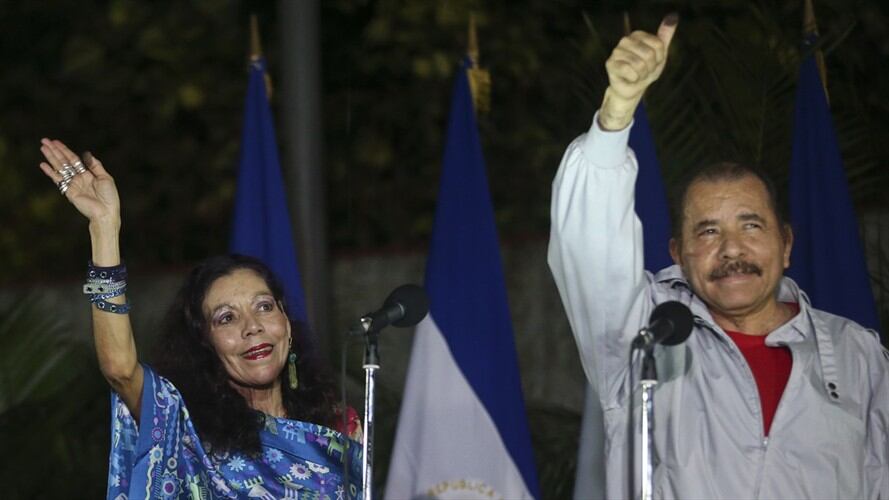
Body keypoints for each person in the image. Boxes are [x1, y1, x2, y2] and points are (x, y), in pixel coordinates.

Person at [548, 15, 889, 498]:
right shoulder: (643, 334)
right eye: (707, 232)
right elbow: (587, 244)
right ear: (677, 255)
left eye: (751, 226)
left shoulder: (857, 355)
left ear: (786, 244)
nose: (731, 249)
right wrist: (616, 113)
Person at [38, 139, 363, 498]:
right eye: (226, 318)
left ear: (287, 321)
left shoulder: (336, 428)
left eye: (264, 306)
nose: (251, 326)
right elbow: (119, 368)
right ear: (205, 341)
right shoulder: (185, 429)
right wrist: (104, 227)